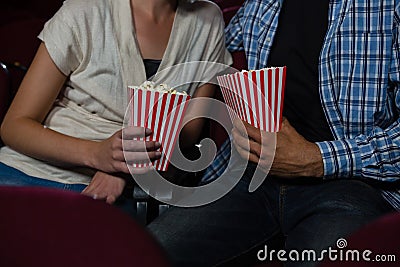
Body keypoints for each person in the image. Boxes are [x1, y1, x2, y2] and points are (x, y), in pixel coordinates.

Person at [148, 0, 400, 266]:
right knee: (147, 252)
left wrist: (316, 159)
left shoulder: (387, 8)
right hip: (250, 172)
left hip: (349, 183)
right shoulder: (261, 3)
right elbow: (203, 46)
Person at [0, 0, 231, 216]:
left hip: (120, 192)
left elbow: (189, 131)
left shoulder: (208, 20)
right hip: (30, 171)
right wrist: (97, 155)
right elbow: (15, 125)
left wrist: (125, 166)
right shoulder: (83, 10)